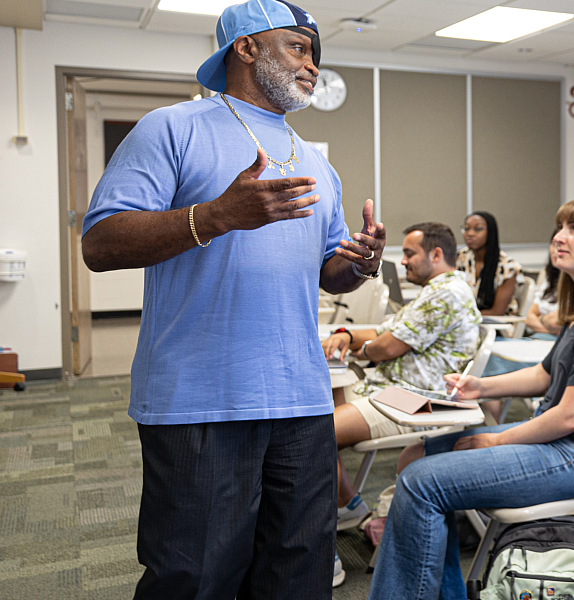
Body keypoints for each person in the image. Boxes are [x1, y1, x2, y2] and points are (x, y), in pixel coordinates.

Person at [81, 1, 387, 598]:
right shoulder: (171, 128)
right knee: (197, 577)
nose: (312, 65)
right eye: (298, 47)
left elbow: (329, 274)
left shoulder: (319, 164)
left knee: (298, 573)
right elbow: (100, 243)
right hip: (201, 399)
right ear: (245, 48)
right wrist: (217, 215)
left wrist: (358, 265)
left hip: (301, 398)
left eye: (316, 54)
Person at [368, 199, 574, 600]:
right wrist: (481, 386)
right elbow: (545, 374)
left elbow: (569, 418)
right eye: (559, 226)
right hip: (565, 444)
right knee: (423, 459)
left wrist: (494, 438)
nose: (559, 236)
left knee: (422, 483)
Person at [321, 222, 481, 531]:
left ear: (436, 254)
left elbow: (387, 346)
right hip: (393, 391)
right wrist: (347, 333)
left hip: (413, 401)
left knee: (315, 432)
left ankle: (341, 508)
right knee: (323, 401)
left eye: (409, 253)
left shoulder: (446, 294)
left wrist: (361, 349)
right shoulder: (435, 291)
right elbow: (383, 332)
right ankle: (348, 504)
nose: (403, 260)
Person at [457, 211, 523, 315]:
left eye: (478, 229)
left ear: (491, 232)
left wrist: (461, 318)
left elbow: (497, 311)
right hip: (468, 320)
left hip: (496, 324)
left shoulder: (507, 266)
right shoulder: (460, 257)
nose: (470, 233)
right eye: (466, 228)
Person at [525, 231, 561, 339]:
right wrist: (549, 325)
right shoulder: (551, 276)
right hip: (539, 337)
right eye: (553, 244)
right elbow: (529, 318)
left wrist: (541, 317)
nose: (556, 250)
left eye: (560, 245)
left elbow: (559, 323)